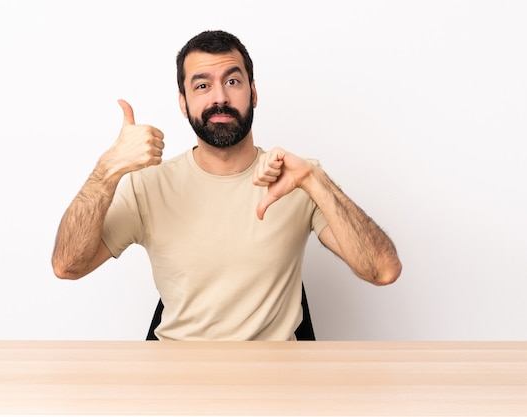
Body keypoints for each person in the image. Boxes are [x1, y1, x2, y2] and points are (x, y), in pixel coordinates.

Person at [52, 30, 402, 341]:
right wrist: (107, 169)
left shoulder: (297, 180)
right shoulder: (148, 186)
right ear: (183, 102)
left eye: (232, 82)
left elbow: (383, 270)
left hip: (277, 387)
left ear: (252, 92)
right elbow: (68, 266)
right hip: (178, 384)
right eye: (202, 85)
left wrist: (315, 179)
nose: (219, 97)